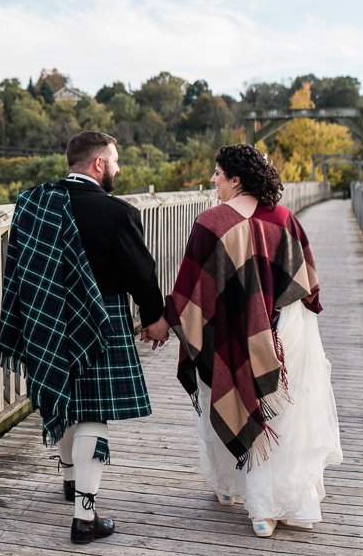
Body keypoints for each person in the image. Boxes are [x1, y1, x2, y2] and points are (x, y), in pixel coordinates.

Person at [141, 144, 342, 537]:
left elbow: (189, 291)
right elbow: (308, 284)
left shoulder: (211, 223)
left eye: (217, 173)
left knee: (226, 389)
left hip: (231, 330)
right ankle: (269, 502)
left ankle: (254, 503)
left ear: (235, 180)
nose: (213, 180)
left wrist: (163, 322)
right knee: (281, 414)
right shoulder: (284, 218)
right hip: (287, 329)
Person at [0, 131, 163, 544]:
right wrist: (155, 317)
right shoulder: (116, 212)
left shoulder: (34, 204)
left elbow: (20, 264)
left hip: (47, 317)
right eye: (116, 161)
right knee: (91, 413)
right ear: (98, 165)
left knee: (67, 398)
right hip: (98, 316)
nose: (118, 168)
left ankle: (72, 480)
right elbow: (140, 274)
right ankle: (84, 518)